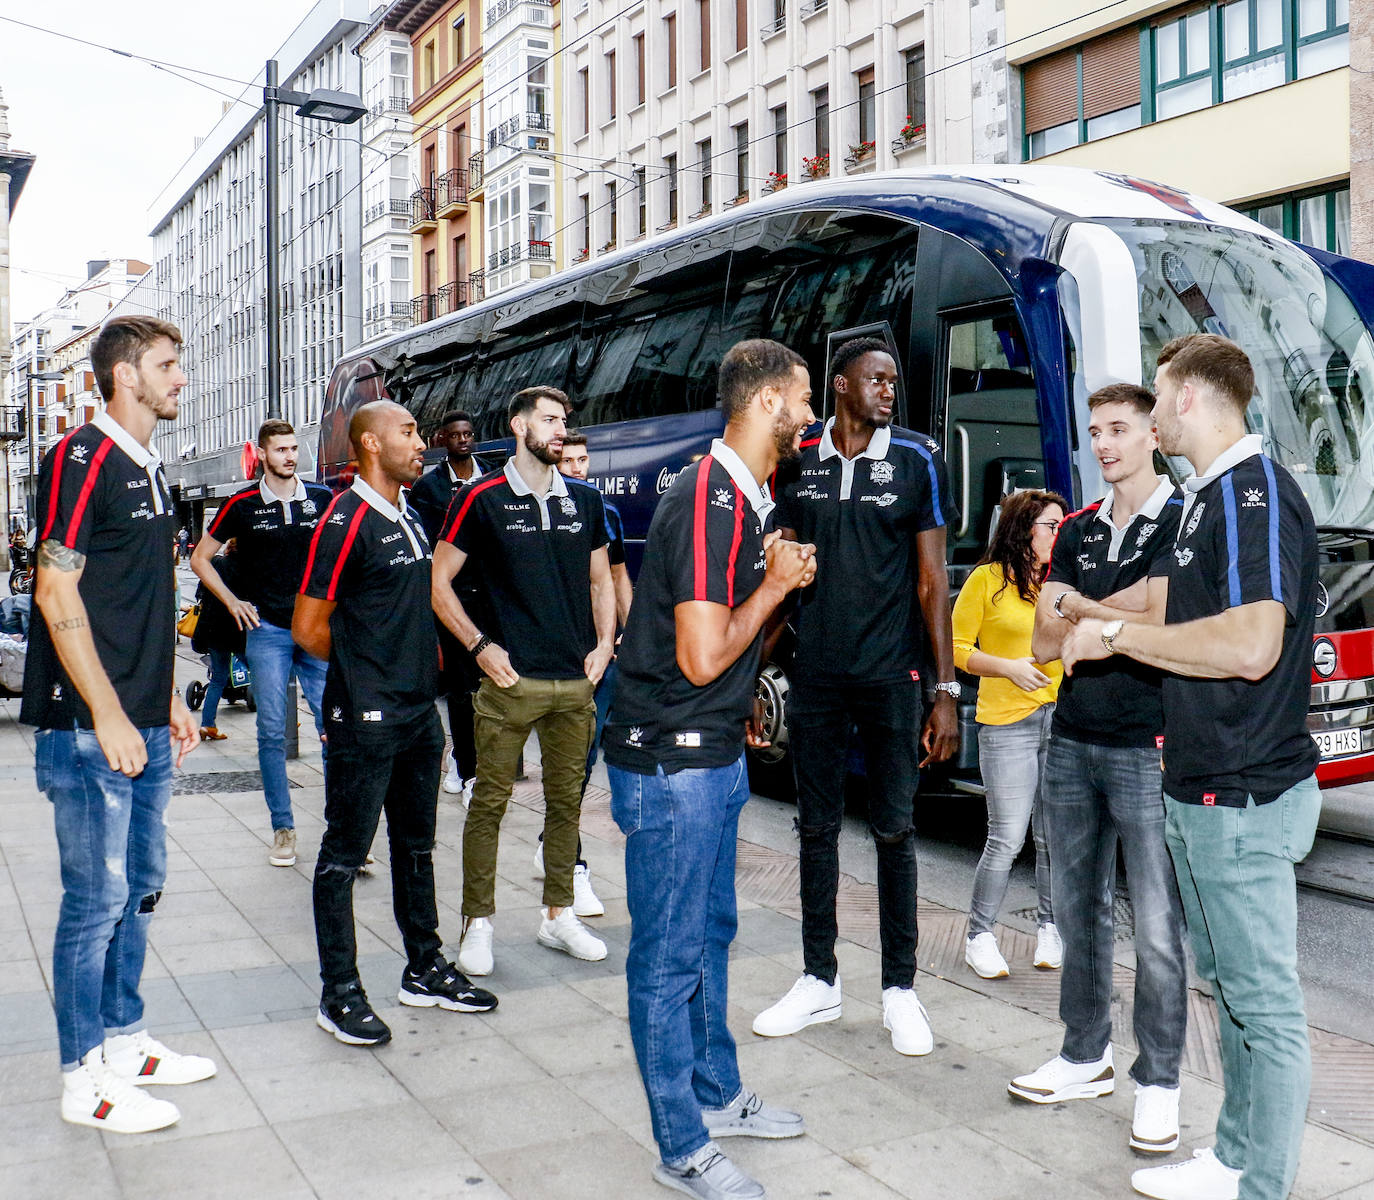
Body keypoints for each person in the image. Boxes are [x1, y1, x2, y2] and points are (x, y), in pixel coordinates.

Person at [1062, 334, 1321, 1200]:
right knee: (1233, 994)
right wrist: (1101, 622)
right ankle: (1235, 1156)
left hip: (1246, 792)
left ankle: (1261, 1184)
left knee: (1263, 1004)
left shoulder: (1254, 493)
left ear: (1185, 398)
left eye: (1159, 389)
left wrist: (1116, 635)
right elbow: (1175, 617)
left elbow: (1251, 645)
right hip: (1202, 788)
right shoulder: (1204, 501)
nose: (1151, 407)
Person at [605, 338, 818, 1200]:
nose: (810, 415)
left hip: (713, 755)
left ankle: (715, 1094)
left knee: (710, 935)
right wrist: (775, 588)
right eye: (803, 398)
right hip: (673, 765)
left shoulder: (749, 500)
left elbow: (728, 647)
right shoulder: (708, 495)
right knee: (668, 957)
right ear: (767, 402)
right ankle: (681, 1145)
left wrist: (774, 592)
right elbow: (699, 657)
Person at [22, 314, 213, 1133]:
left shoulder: (150, 466)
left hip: (141, 717)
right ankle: (83, 1078)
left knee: (139, 890)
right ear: (126, 374)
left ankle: (125, 1040)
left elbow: (139, 596)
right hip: (87, 725)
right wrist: (106, 712)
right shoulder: (82, 457)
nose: (181, 378)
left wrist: (164, 698)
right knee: (94, 900)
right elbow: (54, 589)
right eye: (168, 365)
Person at [752, 337, 958, 1057]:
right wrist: (750, 677)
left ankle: (900, 989)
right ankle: (819, 979)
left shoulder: (918, 460)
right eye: (877, 380)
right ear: (841, 385)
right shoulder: (800, 460)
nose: (889, 390)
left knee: (895, 831)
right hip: (816, 678)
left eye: (894, 381)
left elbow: (933, 583)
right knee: (815, 829)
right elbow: (781, 577)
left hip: (892, 680)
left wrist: (944, 691)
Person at [1011, 383, 1189, 1156]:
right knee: (1078, 911)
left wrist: (1082, 606)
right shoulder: (1079, 526)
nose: (1104, 443)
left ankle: (1160, 1082)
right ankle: (1085, 1056)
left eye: (1119, 428)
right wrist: (1116, 612)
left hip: (1149, 746)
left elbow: (1168, 616)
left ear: (1153, 434)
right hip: (1072, 739)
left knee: (1157, 926)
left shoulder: (1183, 520)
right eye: (1095, 430)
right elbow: (1044, 642)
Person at [295, 400, 497, 1046]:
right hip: (366, 719)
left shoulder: (409, 513)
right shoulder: (344, 520)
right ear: (371, 445)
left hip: (417, 716)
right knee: (343, 856)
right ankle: (339, 993)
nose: (421, 444)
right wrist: (365, 671)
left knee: (416, 847)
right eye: (407, 433)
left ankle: (424, 968)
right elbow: (308, 627)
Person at [432, 387, 616, 977]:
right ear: (518, 425)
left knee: (567, 805)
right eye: (550, 420)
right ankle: (476, 924)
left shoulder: (585, 499)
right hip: (508, 683)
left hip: (574, 683)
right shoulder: (480, 497)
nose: (561, 430)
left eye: (565, 420)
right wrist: (479, 646)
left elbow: (601, 581)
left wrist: (605, 644)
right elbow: (438, 582)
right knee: (488, 805)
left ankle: (558, 915)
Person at [191, 420, 333, 867]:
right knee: (271, 731)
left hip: (315, 629)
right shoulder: (242, 504)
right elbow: (200, 558)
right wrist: (232, 601)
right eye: (281, 450)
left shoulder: (322, 499)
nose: (290, 456)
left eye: (294, 449)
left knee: (334, 728)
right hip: (267, 631)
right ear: (263, 455)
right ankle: (283, 829)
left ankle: (344, 831)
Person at [952, 489, 1066, 979]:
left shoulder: (1061, 583)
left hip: (1061, 720)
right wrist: (1008, 667)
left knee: (1054, 837)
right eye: (1051, 525)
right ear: (1024, 529)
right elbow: (956, 648)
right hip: (1006, 725)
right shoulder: (986, 580)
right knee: (1007, 837)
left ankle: (1050, 928)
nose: (1059, 534)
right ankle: (979, 935)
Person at [527, 430, 635, 918]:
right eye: (568, 460)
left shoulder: (602, 511)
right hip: (556, 659)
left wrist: (630, 638)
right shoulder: (536, 510)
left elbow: (617, 576)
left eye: (583, 459)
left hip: (600, 658)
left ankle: (555, 848)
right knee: (569, 764)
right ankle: (568, 865)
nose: (576, 467)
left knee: (584, 763)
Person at [408, 409, 487, 801]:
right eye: (456, 435)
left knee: (488, 688)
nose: (463, 440)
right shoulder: (428, 488)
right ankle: (469, 770)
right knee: (460, 689)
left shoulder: (492, 479)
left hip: (489, 598)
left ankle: (468, 758)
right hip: (450, 596)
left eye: (468, 434)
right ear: (443, 439)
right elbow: (425, 543)